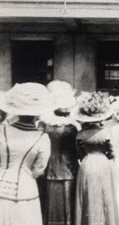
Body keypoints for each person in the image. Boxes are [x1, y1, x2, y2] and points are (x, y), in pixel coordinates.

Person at [0, 83, 52, 225]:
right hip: (26, 189)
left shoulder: (2, 130)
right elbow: (39, 169)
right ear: (38, 114)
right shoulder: (42, 138)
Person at [73, 92, 119, 225]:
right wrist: (106, 155)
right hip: (102, 162)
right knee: (104, 194)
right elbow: (112, 152)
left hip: (87, 163)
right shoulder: (105, 132)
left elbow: (79, 153)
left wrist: (86, 155)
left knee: (88, 194)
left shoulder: (80, 133)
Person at [40, 81, 80, 225]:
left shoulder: (45, 124)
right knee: (68, 200)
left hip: (50, 164)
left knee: (51, 200)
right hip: (68, 166)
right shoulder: (72, 125)